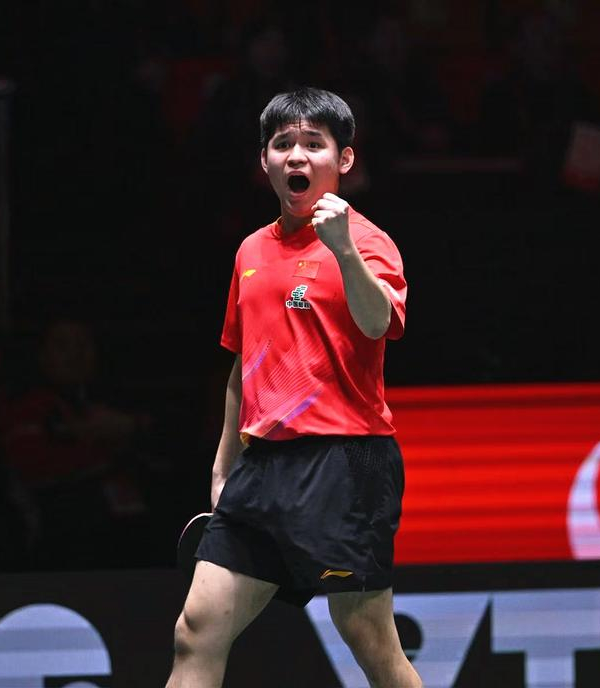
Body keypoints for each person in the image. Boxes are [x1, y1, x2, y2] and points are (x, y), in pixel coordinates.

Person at [166, 87, 422, 688]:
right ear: (265, 161)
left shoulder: (369, 242)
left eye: (313, 143)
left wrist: (342, 251)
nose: (297, 156)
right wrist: (224, 464)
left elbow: (378, 323)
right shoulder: (251, 250)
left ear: (344, 159)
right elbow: (242, 364)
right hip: (261, 470)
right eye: (283, 144)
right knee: (196, 630)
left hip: (344, 462)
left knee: (369, 639)